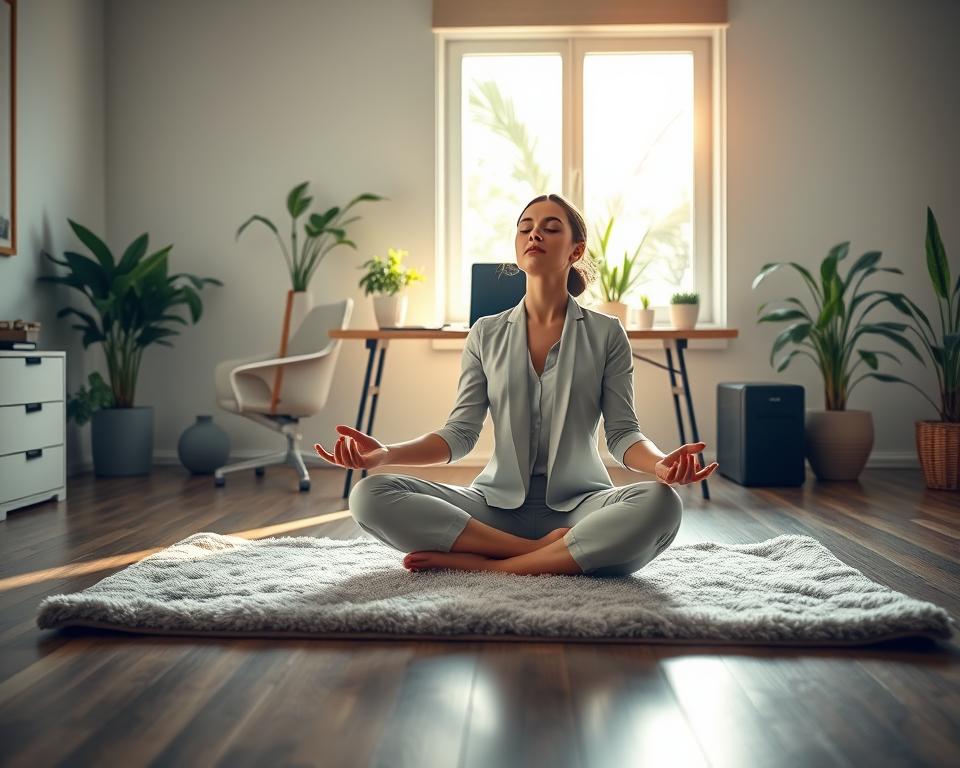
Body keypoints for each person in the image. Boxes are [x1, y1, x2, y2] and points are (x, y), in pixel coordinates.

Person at [315, 193, 718, 577]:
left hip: (581, 507)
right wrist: (385, 455)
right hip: (493, 507)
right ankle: (535, 554)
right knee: (369, 496)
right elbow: (460, 434)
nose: (534, 234)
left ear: (576, 251)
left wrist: (662, 465)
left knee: (661, 504)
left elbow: (623, 434)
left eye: (550, 227)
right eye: (525, 227)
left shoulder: (607, 333)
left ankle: (491, 564)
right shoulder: (485, 333)